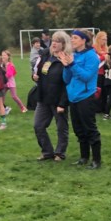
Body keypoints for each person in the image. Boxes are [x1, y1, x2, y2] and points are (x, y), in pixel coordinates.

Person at [58, 29, 102, 169]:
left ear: (84, 40)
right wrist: (66, 66)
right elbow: (66, 79)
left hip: (85, 96)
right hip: (73, 97)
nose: (72, 40)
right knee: (78, 130)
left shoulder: (92, 56)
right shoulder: (74, 55)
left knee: (90, 129)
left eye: (75, 38)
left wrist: (72, 65)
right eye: (72, 37)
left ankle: (96, 160)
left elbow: (86, 76)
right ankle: (84, 157)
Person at [32, 30, 71, 161]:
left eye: (58, 41)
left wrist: (63, 103)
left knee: (61, 127)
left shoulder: (66, 59)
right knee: (38, 125)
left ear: (64, 44)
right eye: (53, 40)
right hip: (43, 98)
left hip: (58, 99)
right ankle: (47, 151)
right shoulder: (45, 55)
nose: (54, 43)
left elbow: (68, 83)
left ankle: (60, 153)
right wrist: (34, 76)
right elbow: (38, 72)